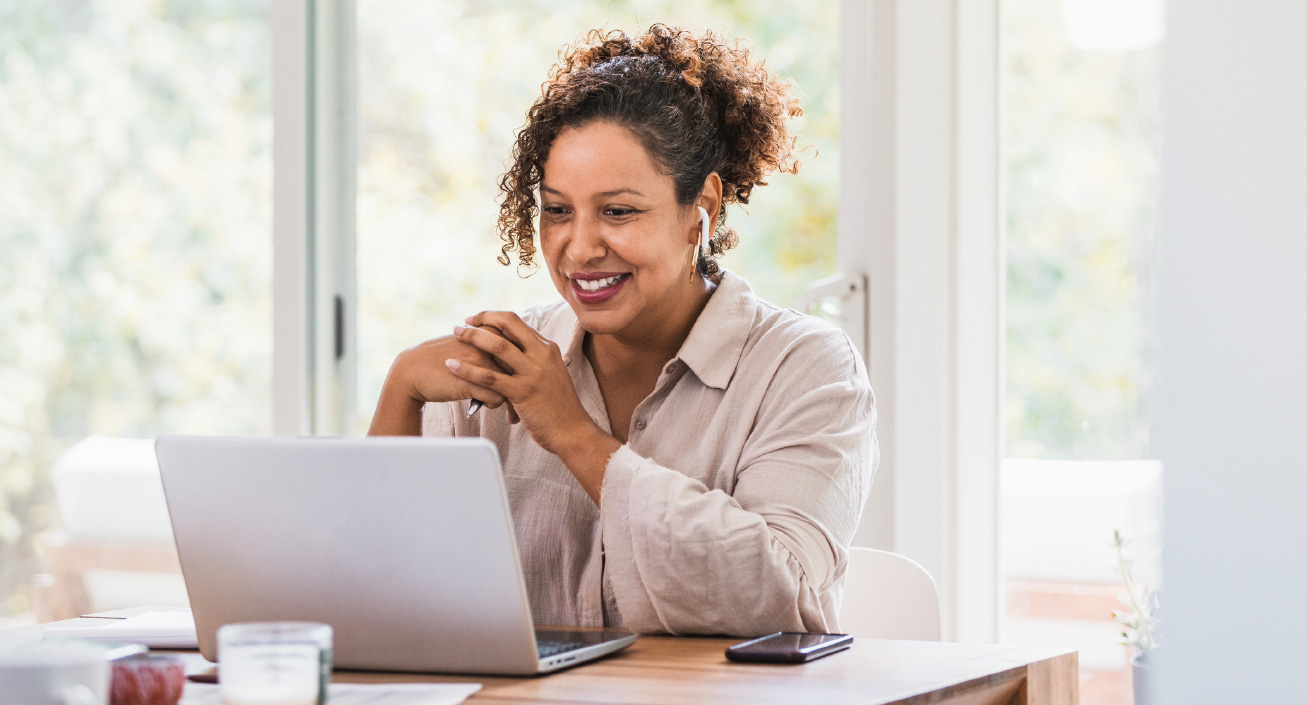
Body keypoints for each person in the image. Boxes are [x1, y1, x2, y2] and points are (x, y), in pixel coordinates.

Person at [368, 24, 877, 636]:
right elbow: (372, 599)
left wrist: (571, 433)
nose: (579, 248)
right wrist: (402, 389)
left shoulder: (805, 369)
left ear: (701, 211)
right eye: (557, 210)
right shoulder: (494, 366)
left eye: (618, 212)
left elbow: (778, 594)